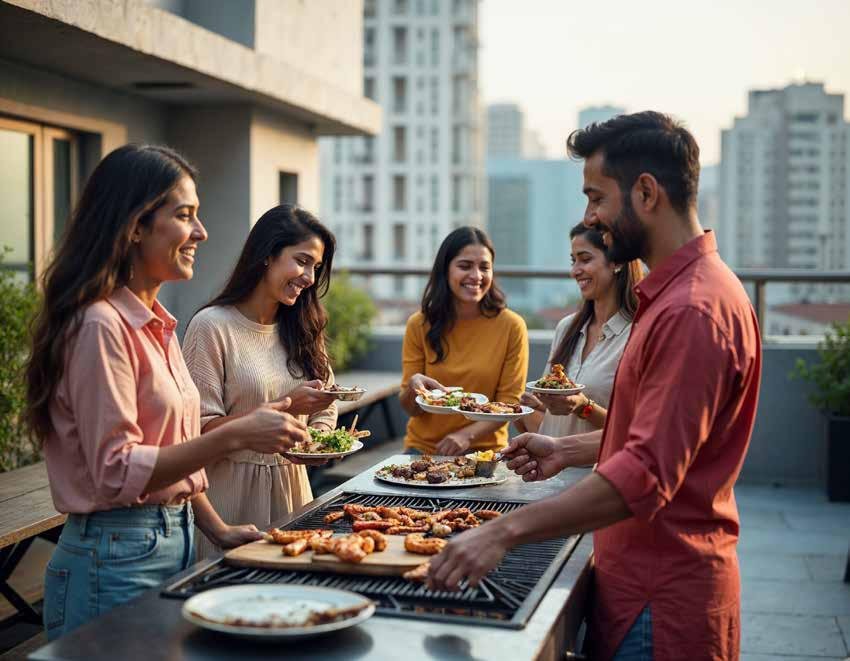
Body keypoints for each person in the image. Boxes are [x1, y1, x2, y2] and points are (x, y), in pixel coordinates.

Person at [428, 112, 762, 661]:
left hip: (661, 602)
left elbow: (646, 474)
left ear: (647, 193)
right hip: (636, 584)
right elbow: (656, 445)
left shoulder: (692, 310)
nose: (591, 217)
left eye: (597, 198)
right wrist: (562, 447)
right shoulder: (677, 296)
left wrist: (500, 534)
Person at [24, 145, 308, 640]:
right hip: (114, 555)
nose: (201, 232)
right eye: (185, 215)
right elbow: (117, 470)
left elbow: (169, 455)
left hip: (171, 538)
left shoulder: (157, 324)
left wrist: (216, 528)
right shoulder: (99, 325)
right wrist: (236, 433)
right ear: (135, 225)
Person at [183, 205, 338, 558]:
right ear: (268, 255)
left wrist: (318, 440)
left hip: (295, 495)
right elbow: (195, 430)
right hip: (229, 499)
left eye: (315, 267)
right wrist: (288, 408)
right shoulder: (212, 327)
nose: (310, 277)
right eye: (301, 261)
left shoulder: (305, 327)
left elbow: (329, 400)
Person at [399, 227, 529, 455]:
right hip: (424, 450)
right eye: (465, 266)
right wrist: (412, 387)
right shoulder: (418, 324)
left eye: (484, 267)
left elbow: (509, 403)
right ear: (445, 270)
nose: (476, 276)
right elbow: (411, 410)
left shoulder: (512, 326)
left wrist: (465, 435)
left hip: (485, 454)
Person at [515, 221, 642, 441]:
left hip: (597, 471)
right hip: (549, 470)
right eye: (573, 261)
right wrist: (538, 407)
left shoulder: (638, 335)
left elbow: (636, 431)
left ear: (617, 262)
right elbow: (557, 417)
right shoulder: (566, 328)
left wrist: (583, 407)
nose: (575, 271)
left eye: (585, 259)